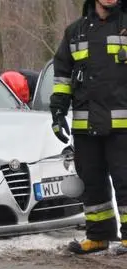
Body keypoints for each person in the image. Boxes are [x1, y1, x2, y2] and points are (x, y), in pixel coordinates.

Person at [50, 0, 127, 255]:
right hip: (86, 125)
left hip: (123, 125)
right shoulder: (75, 32)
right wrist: (58, 111)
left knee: (125, 181)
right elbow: (62, 74)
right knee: (91, 181)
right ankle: (98, 236)